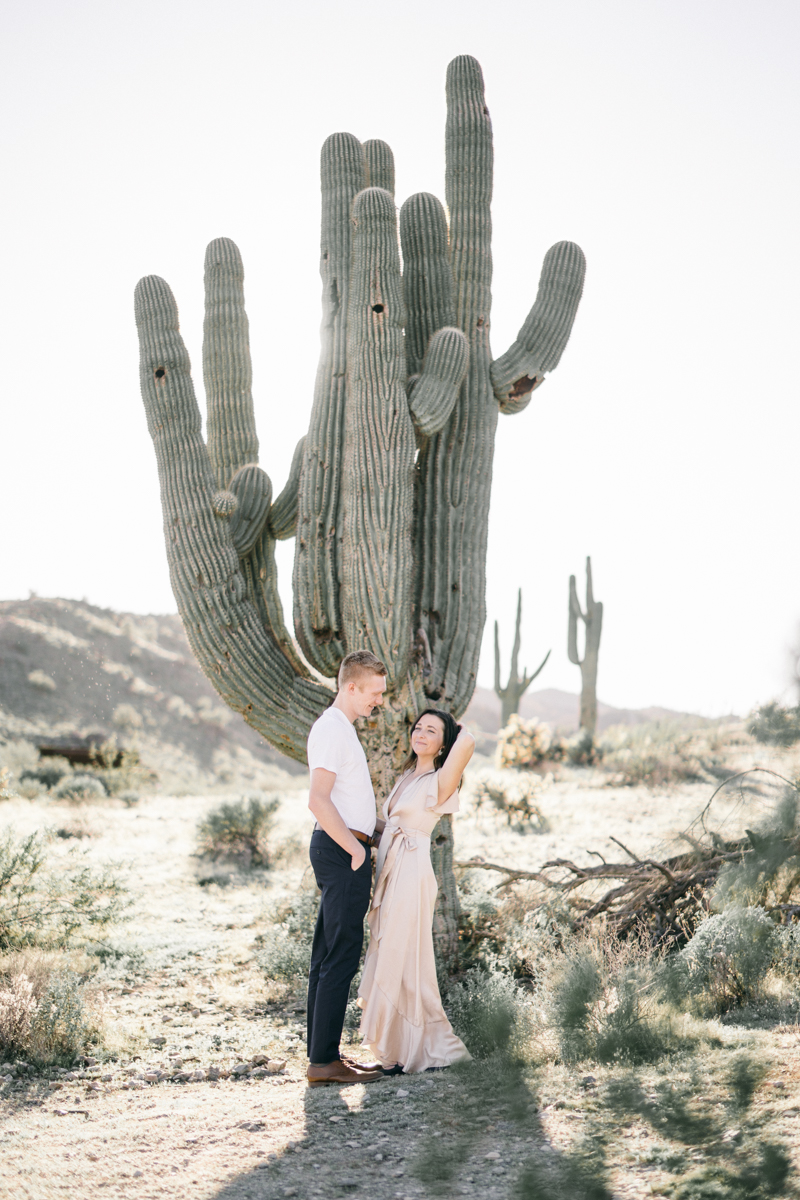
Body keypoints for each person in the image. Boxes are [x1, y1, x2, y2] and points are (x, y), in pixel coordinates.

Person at [357, 709, 476, 1074]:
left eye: (432, 730)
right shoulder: (409, 776)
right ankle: (394, 1050)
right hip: (394, 870)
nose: (421, 734)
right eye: (418, 727)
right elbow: (391, 825)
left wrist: (453, 729)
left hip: (412, 870)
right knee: (391, 950)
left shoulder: (442, 779)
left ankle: (426, 1049)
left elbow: (468, 739)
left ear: (444, 743)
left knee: (405, 955)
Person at [305, 649, 389, 1087]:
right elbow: (318, 800)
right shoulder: (332, 730)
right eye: (374, 692)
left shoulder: (341, 730)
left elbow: (343, 802)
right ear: (351, 686)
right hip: (341, 853)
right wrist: (356, 853)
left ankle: (325, 1055)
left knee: (329, 954)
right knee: (339, 955)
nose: (379, 700)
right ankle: (322, 1063)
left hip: (345, 847)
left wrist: (377, 831)